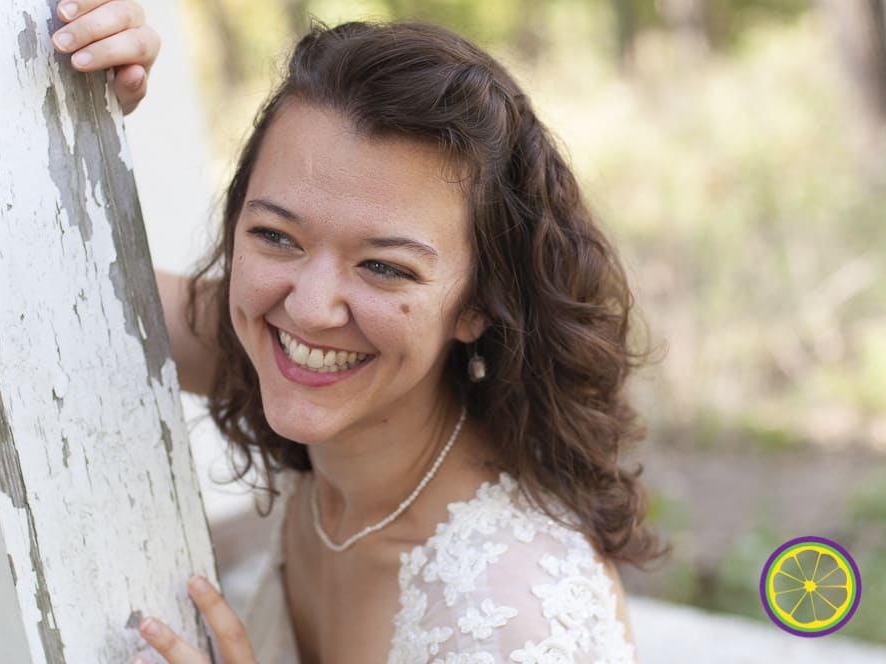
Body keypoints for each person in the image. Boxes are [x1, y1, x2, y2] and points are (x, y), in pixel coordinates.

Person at [52, 2, 666, 662]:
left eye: (383, 267)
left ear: (478, 303)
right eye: (276, 236)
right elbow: (58, 273)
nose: (311, 309)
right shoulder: (289, 356)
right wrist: (77, 87)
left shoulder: (507, 616)